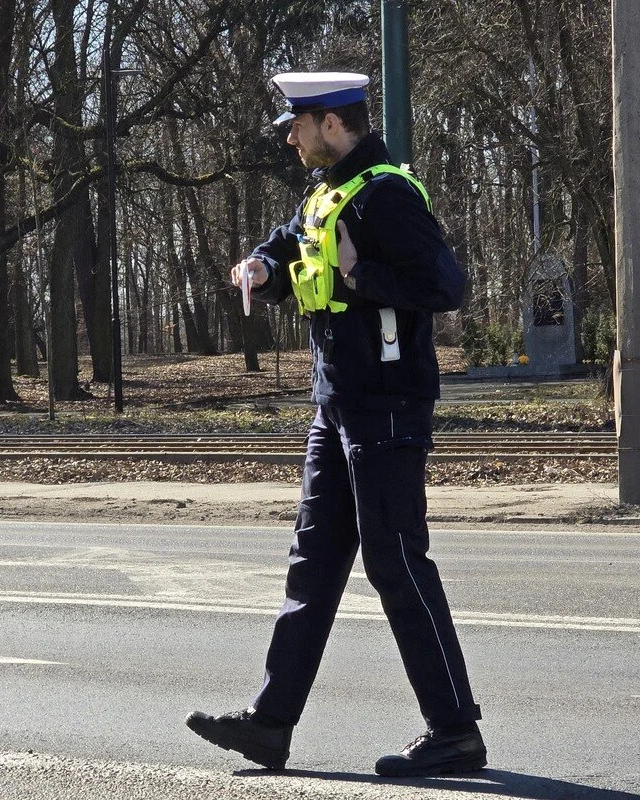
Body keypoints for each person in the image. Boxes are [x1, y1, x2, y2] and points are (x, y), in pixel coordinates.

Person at [185, 71, 485, 778]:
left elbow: (447, 286)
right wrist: (260, 267)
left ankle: (456, 733)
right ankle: (271, 725)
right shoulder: (324, 194)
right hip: (338, 404)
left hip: (385, 404)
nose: (288, 138)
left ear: (328, 122)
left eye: (295, 125)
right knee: (313, 565)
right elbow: (288, 245)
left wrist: (364, 278)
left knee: (397, 562)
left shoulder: (387, 193)